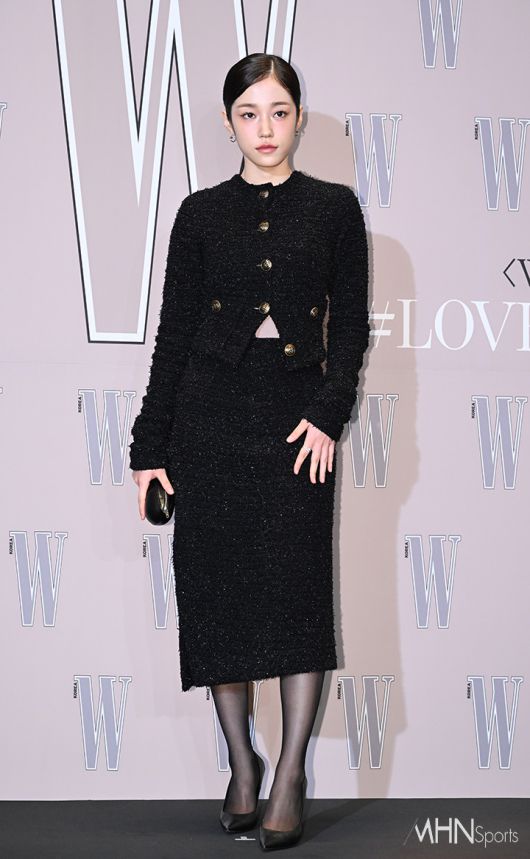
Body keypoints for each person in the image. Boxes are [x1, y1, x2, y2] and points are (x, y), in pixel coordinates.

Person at [129, 53, 369, 851]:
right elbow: (173, 337)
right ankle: (243, 762)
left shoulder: (335, 209)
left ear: (299, 116)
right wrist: (150, 446)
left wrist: (328, 413)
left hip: (297, 422)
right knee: (219, 599)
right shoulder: (198, 214)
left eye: (279, 111)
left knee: (298, 597)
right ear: (229, 123)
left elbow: (351, 327)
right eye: (248, 113)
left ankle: (290, 772)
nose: (265, 129)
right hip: (210, 421)